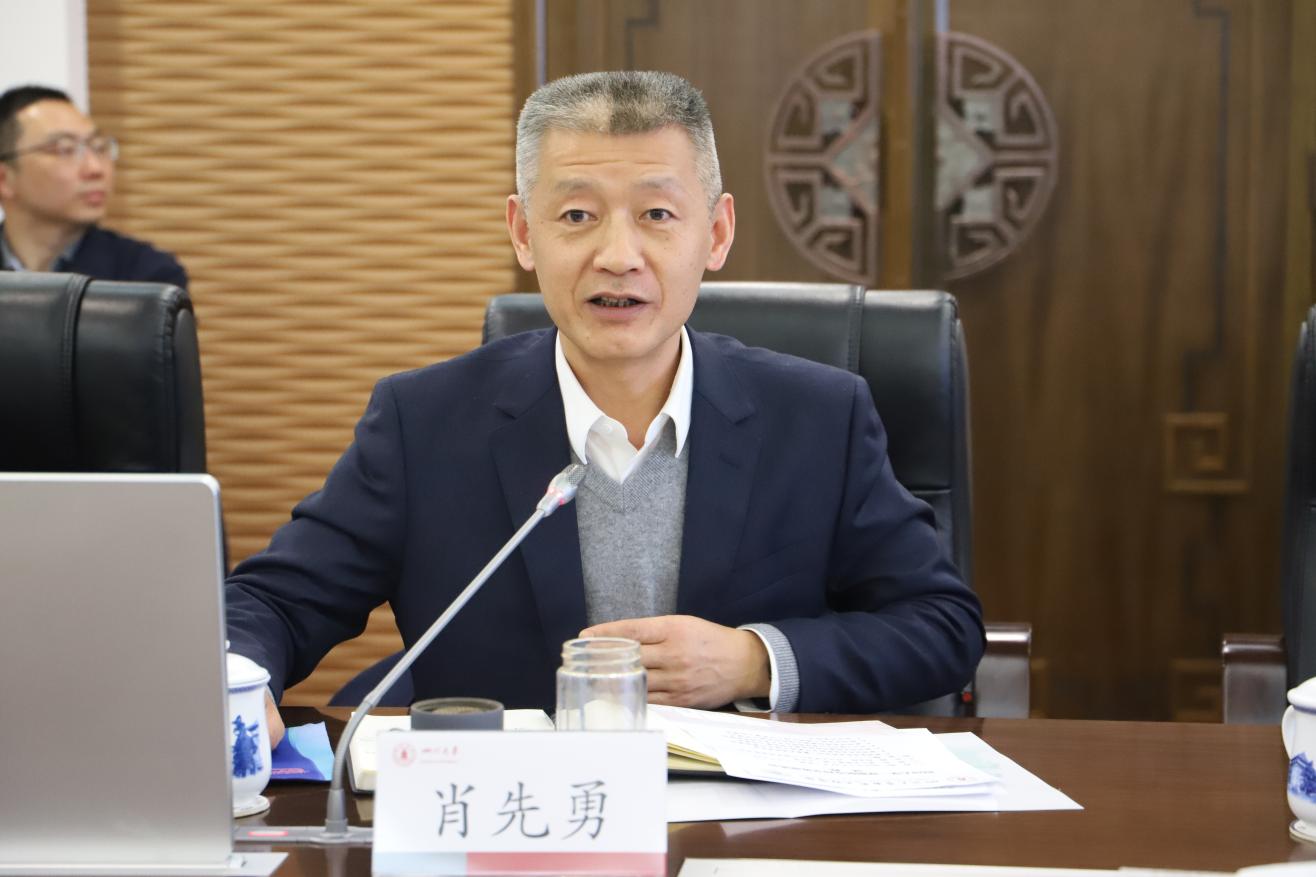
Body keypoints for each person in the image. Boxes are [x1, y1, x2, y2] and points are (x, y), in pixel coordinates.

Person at [225, 71, 984, 746]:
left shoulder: (819, 417)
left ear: (716, 233)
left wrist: (752, 658)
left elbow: (941, 626)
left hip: (744, 820)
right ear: (524, 233)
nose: (618, 256)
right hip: (513, 818)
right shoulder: (423, 423)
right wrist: (236, 679)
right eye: (577, 216)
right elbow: (272, 601)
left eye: (657, 214)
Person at [0, 85, 187, 287]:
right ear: (4, 179)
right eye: (65, 149)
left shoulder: (147, 276)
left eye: (99, 147)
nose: (95, 168)